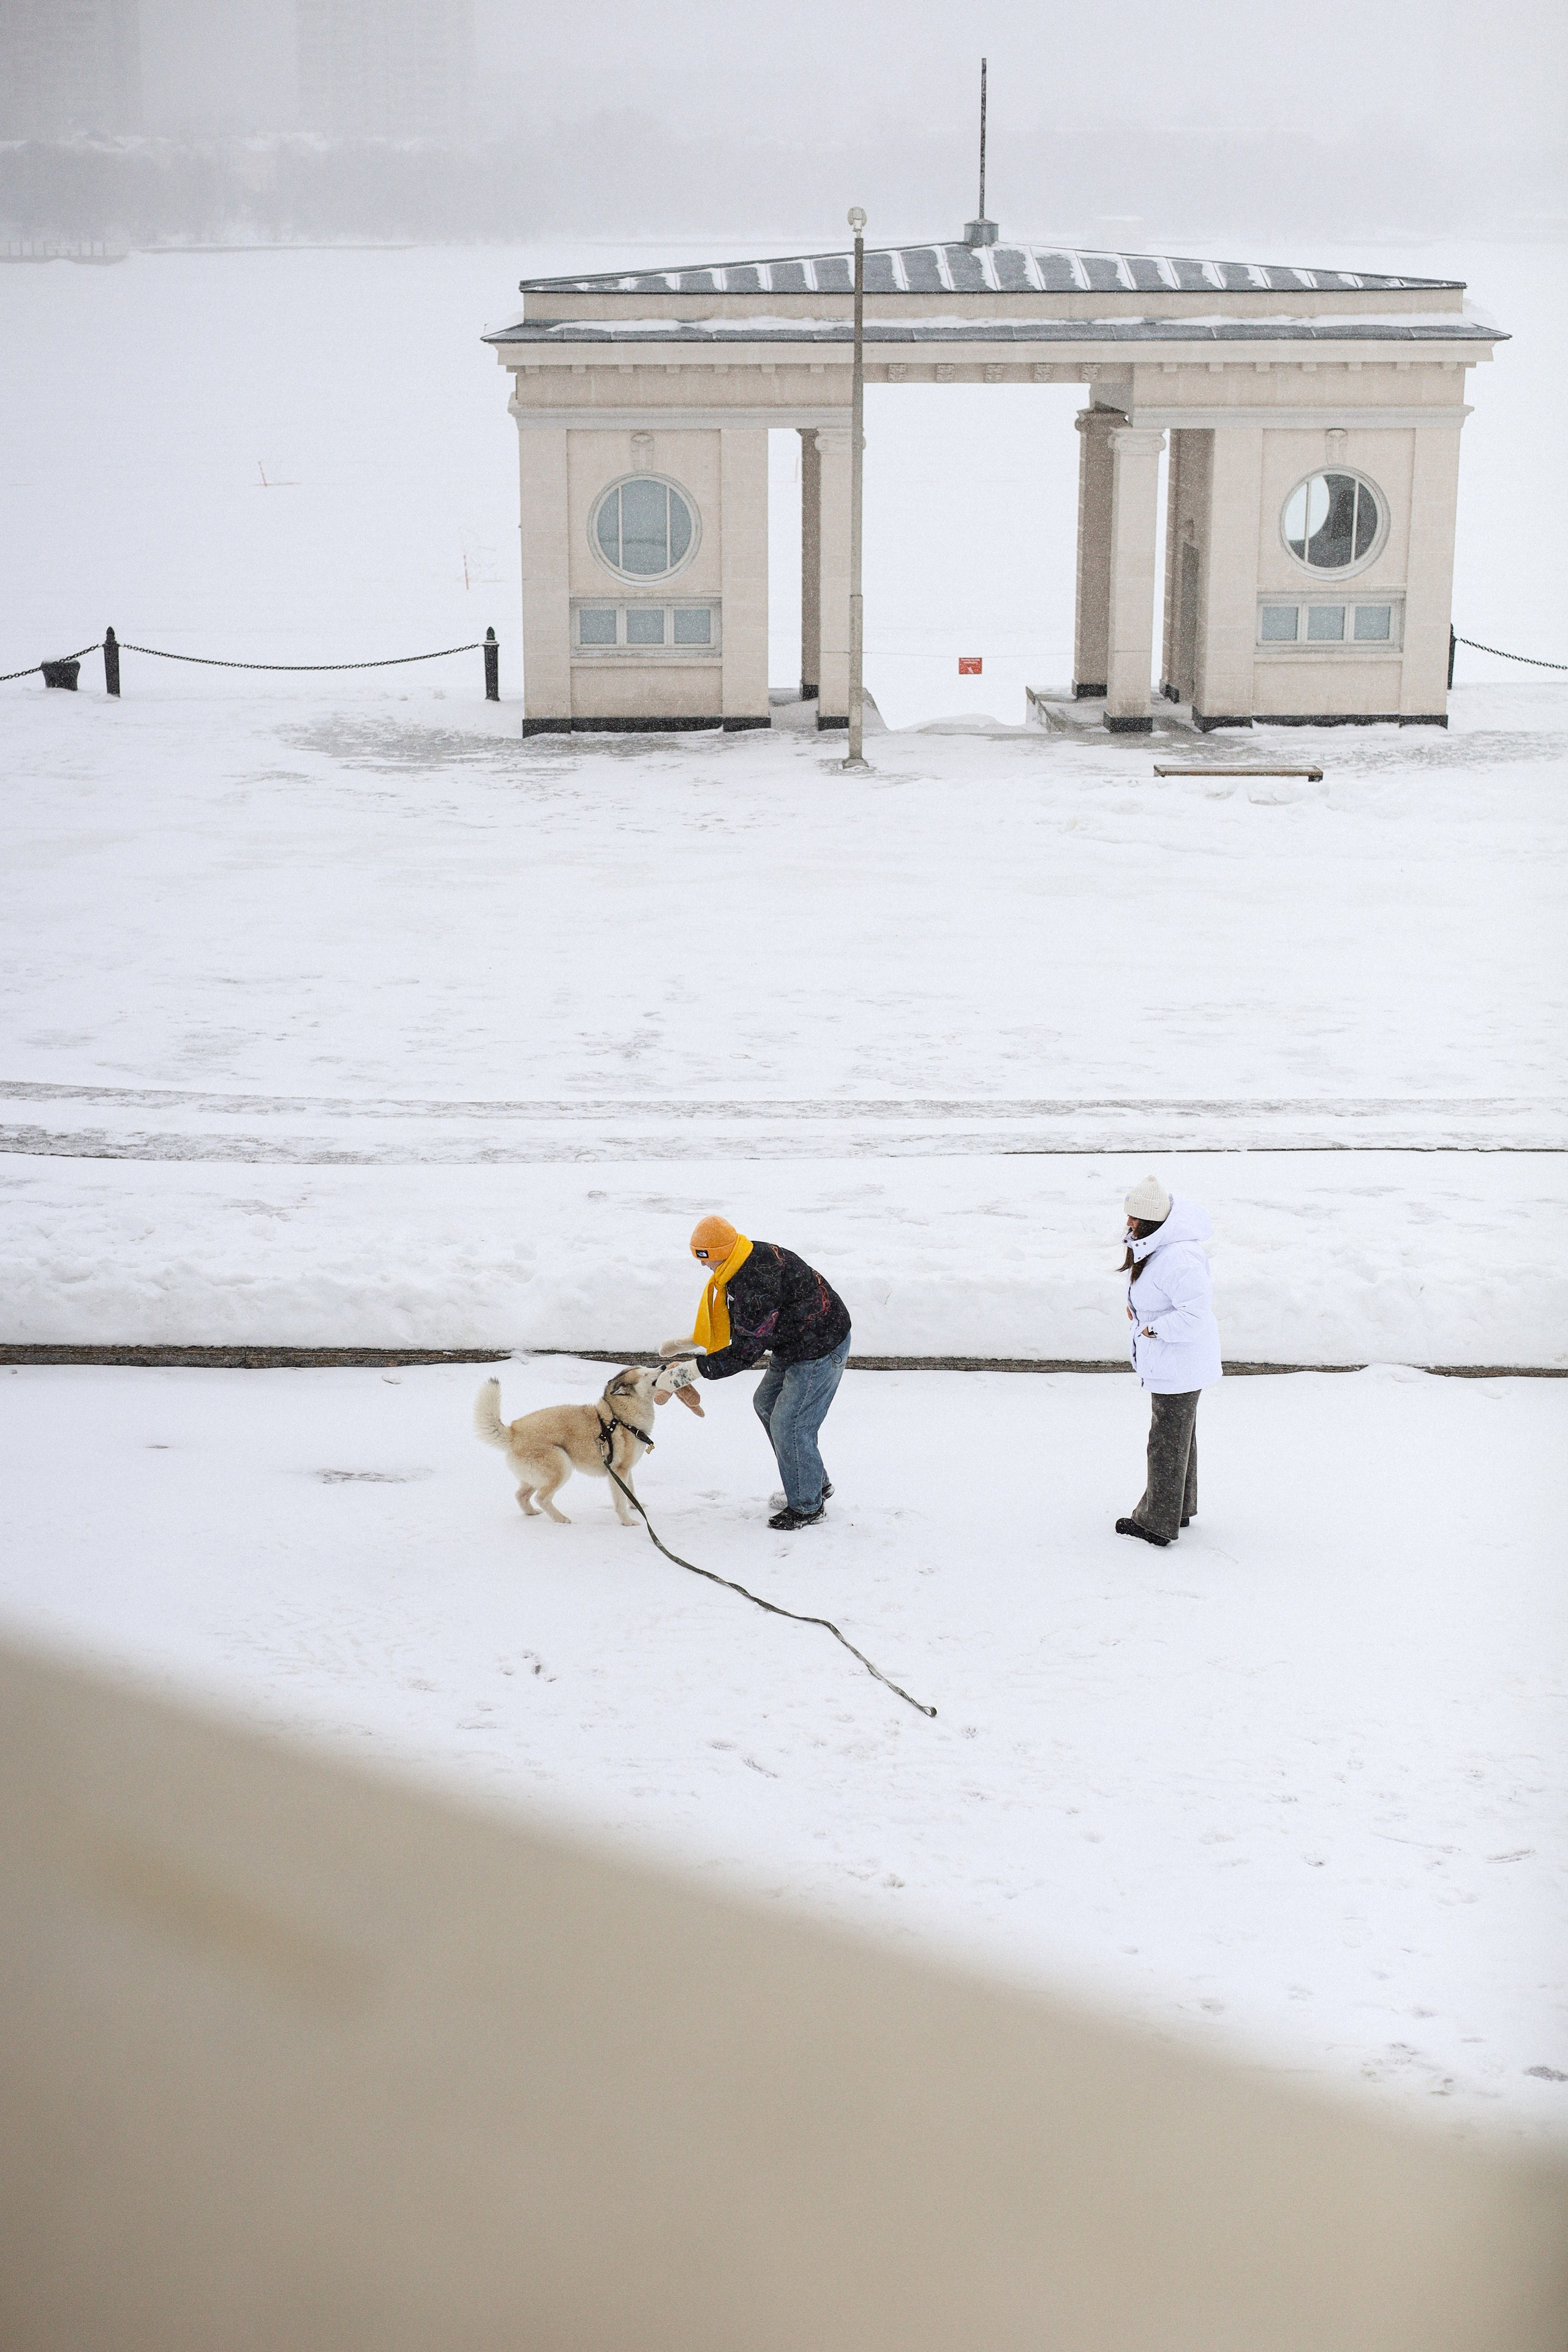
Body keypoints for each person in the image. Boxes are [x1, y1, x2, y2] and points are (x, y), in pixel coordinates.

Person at [661, 1216, 851, 1531]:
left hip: (820, 1346)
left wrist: (688, 1373)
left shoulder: (755, 1280)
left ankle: (807, 1507)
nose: (703, 1267)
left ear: (723, 1250)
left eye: (706, 1259)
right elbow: (744, 1329)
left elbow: (746, 1350)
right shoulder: (740, 1261)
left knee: (789, 1422)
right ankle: (813, 1483)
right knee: (766, 1404)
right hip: (792, 1343)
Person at [1114, 1175, 1222, 1548]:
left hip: (1179, 1363)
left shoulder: (1179, 1257)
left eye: (1133, 1218)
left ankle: (1156, 1522)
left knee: (1166, 1441)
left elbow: (1193, 1315)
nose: (1127, 1224)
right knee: (1179, 1438)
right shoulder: (1161, 1247)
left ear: (1149, 1220)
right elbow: (1162, 1295)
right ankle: (1178, 1508)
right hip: (1176, 1362)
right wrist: (1140, 1313)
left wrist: (1152, 1331)